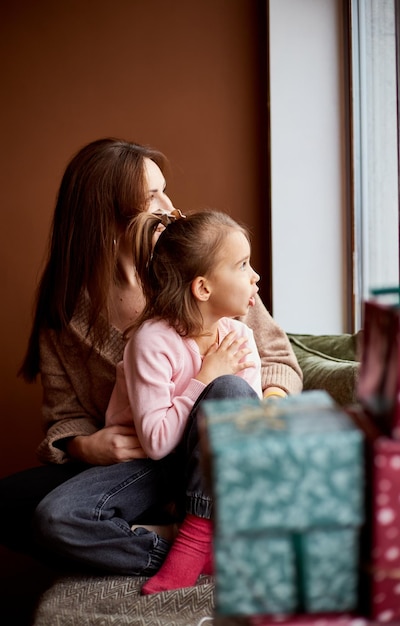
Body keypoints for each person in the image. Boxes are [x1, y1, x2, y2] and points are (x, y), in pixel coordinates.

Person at [0, 138, 303, 574]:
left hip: (213, 453)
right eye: (151, 197)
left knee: (229, 390)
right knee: (11, 506)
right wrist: (86, 445)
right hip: (138, 463)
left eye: (164, 189)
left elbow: (277, 359)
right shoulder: (66, 310)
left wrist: (259, 418)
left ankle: (188, 527)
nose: (170, 205)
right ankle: (173, 545)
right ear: (105, 217)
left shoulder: (197, 261)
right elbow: (64, 416)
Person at [105, 208, 262, 592]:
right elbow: (157, 443)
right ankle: (188, 543)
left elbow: (249, 435)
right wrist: (204, 377)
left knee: (232, 392)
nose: (255, 275)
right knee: (57, 519)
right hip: (151, 471)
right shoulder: (151, 341)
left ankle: (197, 539)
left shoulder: (239, 337)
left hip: (209, 478)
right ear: (203, 288)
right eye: (242, 265)